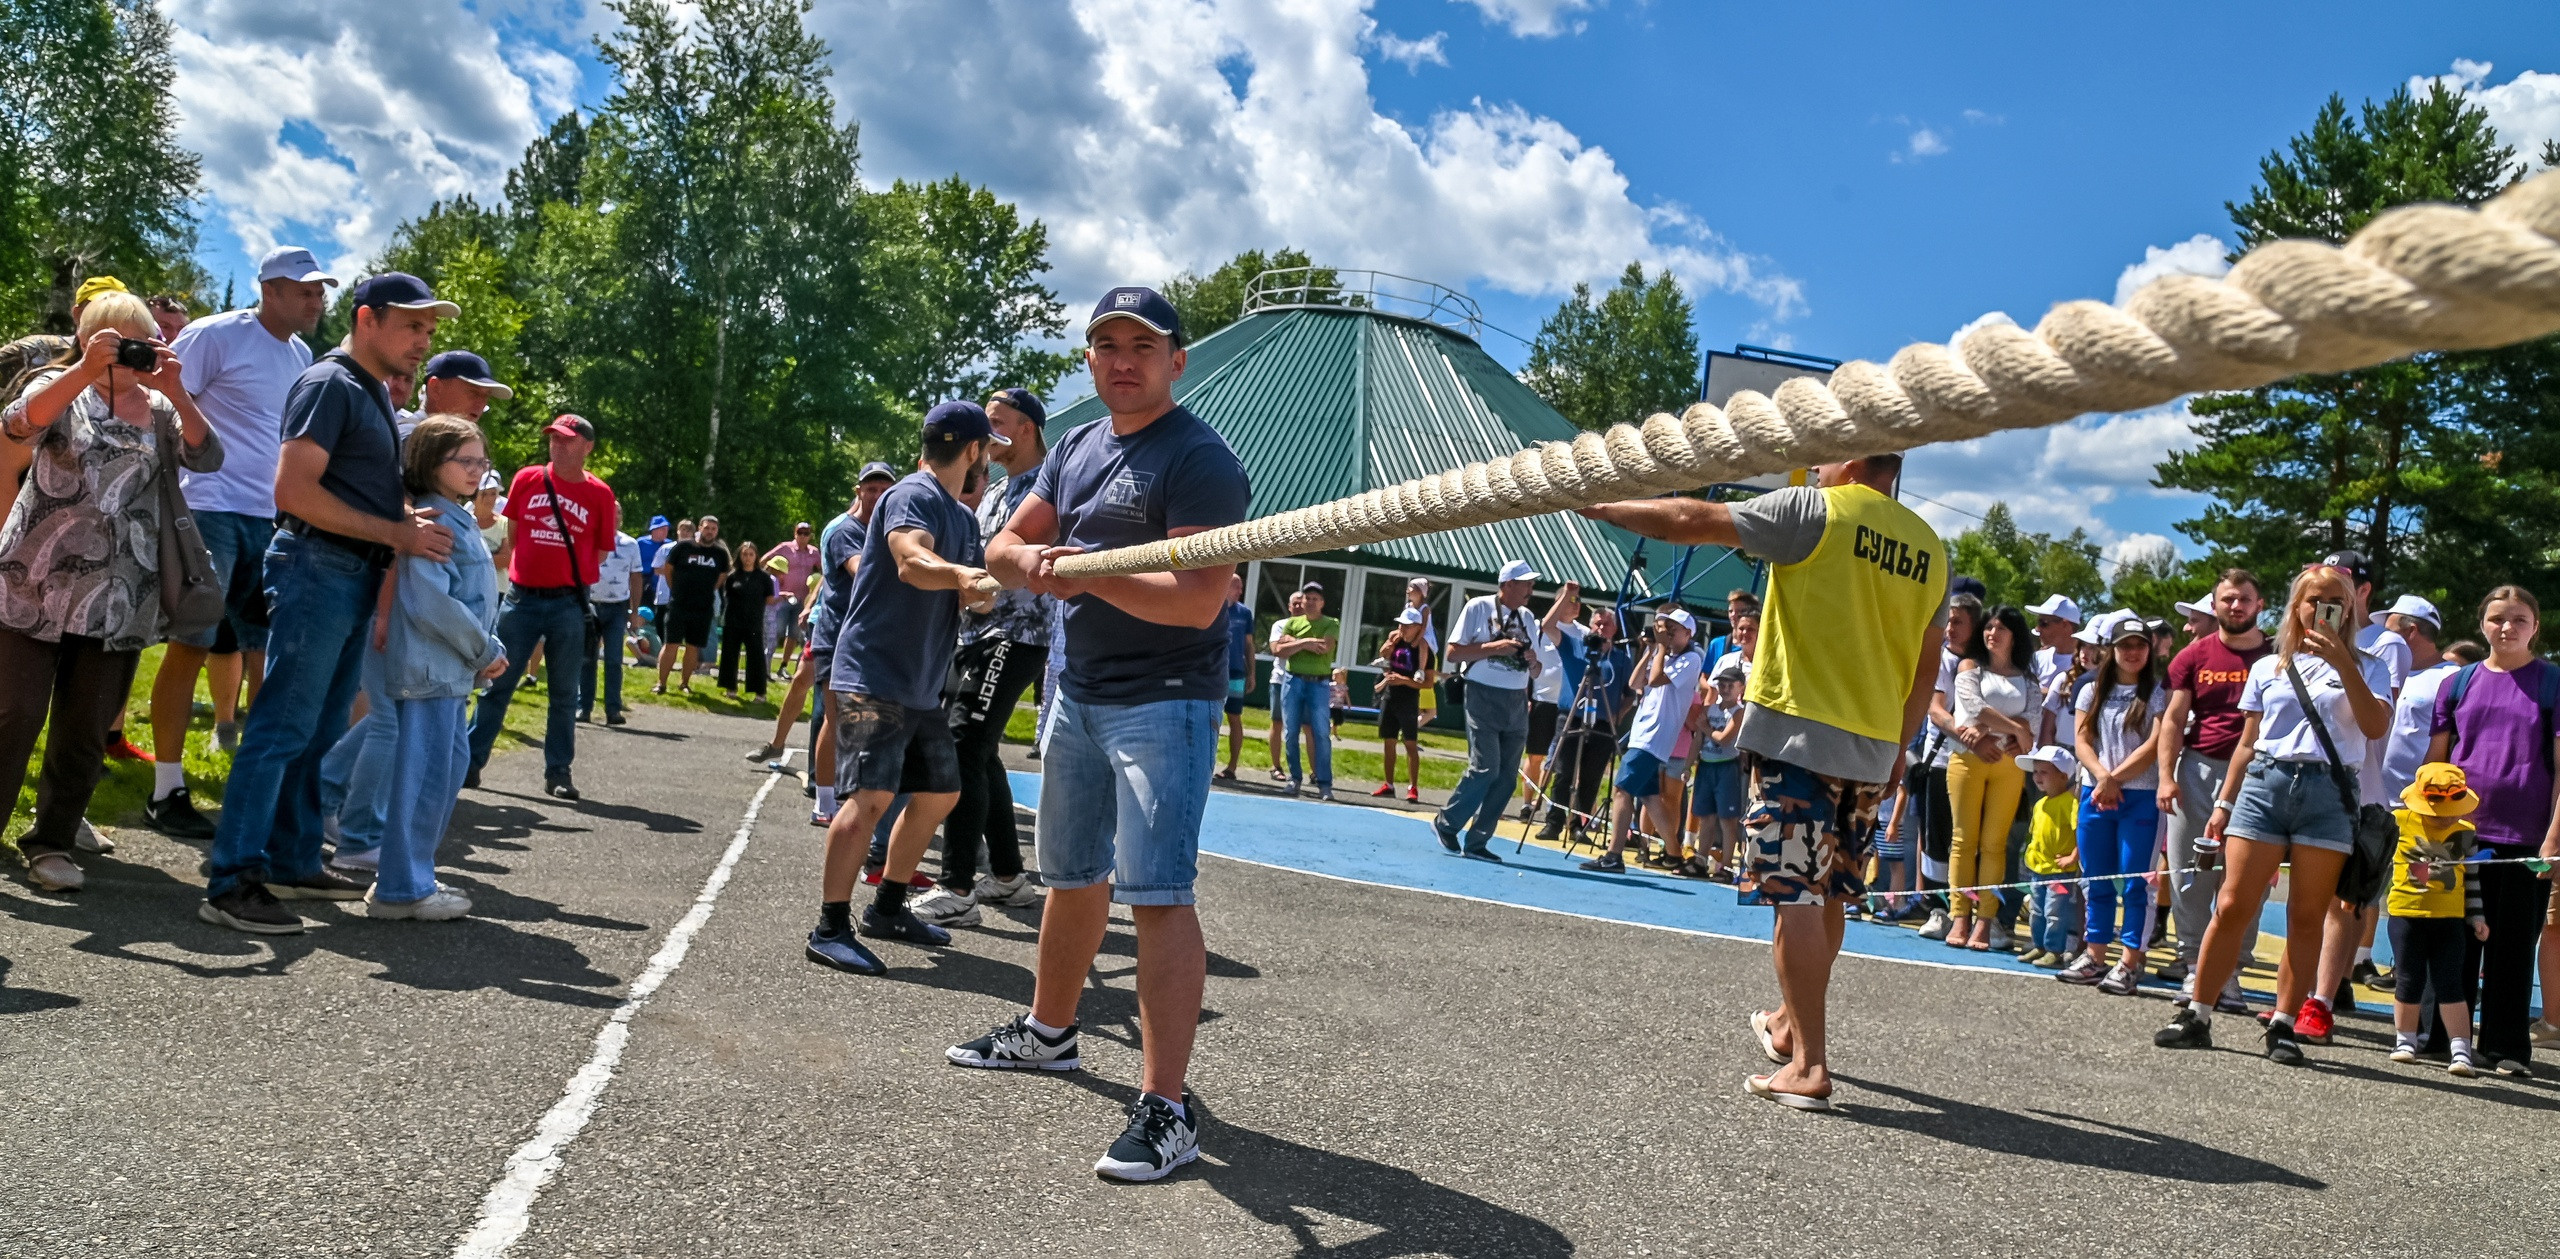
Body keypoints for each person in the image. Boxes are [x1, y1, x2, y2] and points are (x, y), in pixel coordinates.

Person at [947, 287, 1249, 1183]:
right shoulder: (1076, 445)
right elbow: (1006, 546)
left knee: (1157, 892)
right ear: (1088, 360)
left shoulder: (1199, 461)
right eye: (1106, 344)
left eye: (1142, 345)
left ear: (1176, 361)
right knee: (1071, 873)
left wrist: (1080, 577)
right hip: (1077, 692)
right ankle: (1050, 1031)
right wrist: (1029, 561)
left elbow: (1201, 602)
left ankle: (1165, 1104)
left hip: (1164, 700)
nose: (1123, 360)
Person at [1582, 453, 1947, 1112]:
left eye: (1827, 448)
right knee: (1829, 892)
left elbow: (1696, 519)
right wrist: (1901, 739)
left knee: (1795, 899)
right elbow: (1927, 664)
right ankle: (1788, 1024)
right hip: (1869, 747)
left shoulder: (1814, 511)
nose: (1813, 460)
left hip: (1797, 740)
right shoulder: (1928, 547)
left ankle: (1809, 1065)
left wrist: (1605, 504)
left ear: (1858, 456)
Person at [200, 273, 456, 934]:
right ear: (367, 319)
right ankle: (232, 879)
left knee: (317, 730)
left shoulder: (368, 391)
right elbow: (293, 491)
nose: (422, 341)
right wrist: (398, 532)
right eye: (412, 325)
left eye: (430, 330)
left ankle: (290, 857)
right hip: (318, 567)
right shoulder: (331, 383)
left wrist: (403, 517)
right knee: (281, 726)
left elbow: (360, 487)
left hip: (349, 571)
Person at [0, 293, 222, 893]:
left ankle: (49, 842)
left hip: (121, 591)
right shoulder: (58, 383)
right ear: (91, 337)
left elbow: (209, 457)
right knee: (13, 715)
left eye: (140, 339)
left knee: (84, 726)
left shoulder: (160, 407)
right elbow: (17, 424)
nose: (129, 350)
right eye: (116, 339)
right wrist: (83, 369)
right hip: (34, 577)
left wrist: (177, 389)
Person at [2155, 566, 2392, 1063]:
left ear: (2348, 608)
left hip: (2330, 790)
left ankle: (2283, 1023)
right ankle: (2198, 1010)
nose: (2321, 608)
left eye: (2334, 600)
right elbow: (2247, 742)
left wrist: (2344, 664)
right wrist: (2223, 803)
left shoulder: (2370, 665)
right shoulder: (2269, 666)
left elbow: (2373, 728)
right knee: (2233, 903)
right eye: (2312, 599)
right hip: (2266, 782)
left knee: (2305, 915)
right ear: (2296, 607)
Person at [803, 401, 1002, 977]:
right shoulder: (913, 494)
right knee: (869, 799)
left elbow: (967, 591)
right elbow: (911, 561)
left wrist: (983, 589)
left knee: (941, 792)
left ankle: (887, 908)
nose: (985, 458)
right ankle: (829, 926)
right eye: (985, 449)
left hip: (921, 682)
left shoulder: (964, 519)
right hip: (873, 674)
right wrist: (962, 576)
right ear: (973, 451)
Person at [143, 247, 334, 840]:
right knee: (191, 645)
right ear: (268, 289)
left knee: (264, 654)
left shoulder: (302, 355)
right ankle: (166, 788)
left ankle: (256, 786)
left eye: (319, 290)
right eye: (304, 290)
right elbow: (164, 403)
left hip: (271, 516)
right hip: (208, 507)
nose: (316, 300)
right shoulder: (215, 334)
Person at [907, 385, 1056, 928]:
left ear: (1028, 428)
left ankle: (958, 887)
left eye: (997, 420)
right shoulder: (994, 490)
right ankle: (1010, 877)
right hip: (975, 632)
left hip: (1016, 632)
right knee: (982, 749)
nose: (987, 431)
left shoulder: (1047, 486)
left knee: (964, 743)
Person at [368, 416, 505, 921]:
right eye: (464, 460)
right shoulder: (436, 520)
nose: (476, 471)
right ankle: (401, 888)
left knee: (443, 771)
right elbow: (430, 601)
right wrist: (484, 650)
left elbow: (470, 597)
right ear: (431, 462)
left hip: (450, 670)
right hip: (430, 669)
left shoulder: (456, 517)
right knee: (422, 777)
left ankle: (408, 875)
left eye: (481, 461)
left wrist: (487, 645)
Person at [2422, 586, 2558, 1076]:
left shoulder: (2552, 682)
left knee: (2513, 944)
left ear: (2534, 626)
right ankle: (2442, 1038)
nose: (2507, 627)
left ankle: (2505, 1048)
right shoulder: (2456, 684)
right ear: (2482, 623)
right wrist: (2428, 828)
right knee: (2451, 939)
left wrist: (2554, 835)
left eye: (2519, 619)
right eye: (2497, 618)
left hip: (2524, 836)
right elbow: (2435, 763)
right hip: (2458, 834)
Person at [465, 414, 618, 800]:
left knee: (564, 693)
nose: (557, 445)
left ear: (587, 447)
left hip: (569, 602)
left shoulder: (600, 494)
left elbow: (600, 552)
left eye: (567, 440)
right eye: (553, 438)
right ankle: (468, 763)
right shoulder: (528, 478)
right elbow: (514, 533)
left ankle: (558, 772)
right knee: (495, 682)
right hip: (521, 599)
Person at [2152, 569, 2270, 1012]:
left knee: (2245, 881)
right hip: (2199, 772)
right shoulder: (2192, 655)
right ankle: (2193, 968)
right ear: (2215, 605)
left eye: (2243, 599)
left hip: (2260, 777)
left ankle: (2232, 973)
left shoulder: (2279, 655)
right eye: (2226, 600)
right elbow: (2172, 720)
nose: (2235, 606)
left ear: (2259, 605)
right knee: (2189, 874)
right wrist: (2167, 776)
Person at [2061, 612, 2166, 994]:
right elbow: (2083, 740)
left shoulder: (2157, 692)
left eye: (2140, 645)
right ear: (2111, 650)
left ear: (2149, 649)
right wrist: (2101, 777)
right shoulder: (2091, 689)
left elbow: (2155, 745)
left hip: (2139, 795)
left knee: (2136, 881)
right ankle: (2095, 954)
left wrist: (2114, 778)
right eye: (2125, 645)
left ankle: (2130, 961)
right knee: (2096, 878)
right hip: (2096, 792)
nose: (2133, 652)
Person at [1579, 607, 1705, 873]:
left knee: (1622, 790)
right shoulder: (1664, 656)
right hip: (1644, 733)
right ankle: (1674, 853)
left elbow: (1657, 680)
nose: (1667, 635)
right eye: (1663, 628)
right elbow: (1637, 682)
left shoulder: (1692, 658)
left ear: (1688, 632)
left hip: (1654, 736)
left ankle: (1614, 854)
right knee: (1649, 797)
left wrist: (1660, 649)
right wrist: (1650, 650)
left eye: (1673, 630)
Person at [2383, 763, 2490, 1075]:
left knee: (2451, 984)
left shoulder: (2466, 833)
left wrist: (2476, 916)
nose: (2445, 816)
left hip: (2450, 921)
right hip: (2406, 915)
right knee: (2408, 980)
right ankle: (2405, 1041)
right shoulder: (2398, 821)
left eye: (2452, 809)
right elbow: (2378, 862)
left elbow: (2472, 881)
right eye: (2436, 810)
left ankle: (2461, 1050)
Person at [1434, 560, 1543, 860]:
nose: (1530, 589)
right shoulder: (1478, 608)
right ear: (1507, 584)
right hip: (1482, 694)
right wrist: (1496, 648)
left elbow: (1537, 671)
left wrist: (1532, 660)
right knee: (1486, 767)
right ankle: (1447, 823)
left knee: (1507, 776)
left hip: (1517, 699)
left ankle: (1478, 841)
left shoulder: (1529, 617)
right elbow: (1453, 652)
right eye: (1525, 583)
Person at [1945, 605, 2038, 951]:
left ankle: (1985, 920)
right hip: (1967, 760)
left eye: (2000, 629)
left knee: (1994, 844)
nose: (1991, 634)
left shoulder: (2028, 679)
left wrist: (1996, 728)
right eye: (1988, 628)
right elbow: (1972, 708)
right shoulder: (1969, 666)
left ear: (2015, 636)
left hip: (2008, 765)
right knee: (1963, 840)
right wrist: (2012, 726)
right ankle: (1959, 915)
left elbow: (2033, 726)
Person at [1913, 594, 1983, 940]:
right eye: (1948, 621)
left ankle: (1974, 911)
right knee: (1938, 837)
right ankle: (1938, 909)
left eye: (1958, 622)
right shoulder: (1937, 658)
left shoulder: (1986, 663)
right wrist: (1968, 734)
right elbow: (1935, 710)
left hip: (1977, 763)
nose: (1950, 628)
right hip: (1941, 759)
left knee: (1974, 840)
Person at [1535, 596, 1629, 844]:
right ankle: (1553, 822)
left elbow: (1630, 693)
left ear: (1614, 629)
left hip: (1602, 720)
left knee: (1591, 776)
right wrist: (1565, 595)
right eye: (1597, 624)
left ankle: (1578, 824)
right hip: (1572, 716)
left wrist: (1618, 714)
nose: (1601, 629)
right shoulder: (1574, 645)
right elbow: (1546, 627)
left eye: (1606, 625)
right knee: (1564, 772)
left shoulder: (1621, 659)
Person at [2015, 745, 2083, 968]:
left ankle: (2055, 950)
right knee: (2036, 910)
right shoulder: (2040, 804)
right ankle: (2039, 946)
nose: (2037, 777)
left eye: (2044, 772)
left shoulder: (2070, 803)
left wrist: (2073, 857)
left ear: (2063, 776)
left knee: (2055, 912)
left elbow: (2079, 831)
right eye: (2035, 772)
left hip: (2059, 872)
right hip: (2038, 870)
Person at [1270, 581, 1338, 799]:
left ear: (1322, 603)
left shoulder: (1331, 623)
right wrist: (1307, 642)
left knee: (1320, 732)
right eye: (1307, 598)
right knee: (1290, 732)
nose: (1310, 602)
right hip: (1293, 681)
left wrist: (1296, 643)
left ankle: (1324, 783)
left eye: (1315, 599)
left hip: (1318, 683)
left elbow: (1324, 648)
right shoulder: (1292, 622)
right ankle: (1294, 778)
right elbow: (1279, 650)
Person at [1684, 658, 1746, 877]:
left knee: (1727, 820)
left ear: (1741, 687)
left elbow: (1724, 738)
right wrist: (1688, 764)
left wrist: (1706, 728)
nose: (1725, 689)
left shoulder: (1738, 713)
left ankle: (1727, 864)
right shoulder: (1709, 710)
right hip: (1707, 766)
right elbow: (1697, 740)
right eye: (1722, 685)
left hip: (1727, 767)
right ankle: (1700, 859)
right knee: (1706, 816)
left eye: (1731, 685)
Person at [654, 516, 726, 694]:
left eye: (713, 529)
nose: (709, 532)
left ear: (717, 532)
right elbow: (668, 570)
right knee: (671, 643)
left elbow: (722, 577)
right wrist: (676, 589)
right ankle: (661, 683)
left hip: (703, 607)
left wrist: (706, 590)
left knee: (693, 646)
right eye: (707, 528)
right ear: (699, 528)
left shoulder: (720, 553)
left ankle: (684, 683)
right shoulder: (683, 547)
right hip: (679, 604)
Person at [1372, 607, 1436, 800]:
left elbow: (1428, 682)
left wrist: (1404, 680)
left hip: (1409, 700)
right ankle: (1389, 784)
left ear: (1417, 627)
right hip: (1390, 697)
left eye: (1407, 626)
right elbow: (1384, 658)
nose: (1402, 628)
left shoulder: (1424, 650)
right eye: (1401, 624)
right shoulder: (1396, 641)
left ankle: (1413, 787)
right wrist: (1387, 651)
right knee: (1388, 742)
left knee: (1410, 744)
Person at [582, 526, 643, 725]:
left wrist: (635, 612)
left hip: (617, 608)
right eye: (610, 512)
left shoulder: (630, 544)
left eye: (617, 513)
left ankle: (613, 709)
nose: (613, 517)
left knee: (614, 660)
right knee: (587, 658)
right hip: (590, 605)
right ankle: (584, 707)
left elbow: (636, 578)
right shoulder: (587, 539)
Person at [716, 540, 776, 699]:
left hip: (754, 621)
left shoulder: (764, 577)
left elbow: (769, 599)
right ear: (739, 556)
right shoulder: (732, 576)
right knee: (729, 654)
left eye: (751, 554)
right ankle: (730, 688)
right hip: (733, 620)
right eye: (744, 554)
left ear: (756, 556)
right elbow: (726, 596)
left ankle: (759, 692)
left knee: (756, 656)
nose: (747, 558)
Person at [767, 520, 822, 674]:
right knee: (775, 631)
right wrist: (771, 581)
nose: (803, 536)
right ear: (795, 533)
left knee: (793, 633)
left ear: (810, 535)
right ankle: (765, 665)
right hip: (782, 597)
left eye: (806, 533)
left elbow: (826, 569)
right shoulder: (785, 548)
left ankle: (783, 666)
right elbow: (764, 560)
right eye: (800, 532)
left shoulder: (814, 553)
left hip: (803, 599)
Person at [1216, 572, 1255, 780]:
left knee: (1234, 717)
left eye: (1241, 587)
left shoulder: (1245, 613)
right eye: (1236, 586)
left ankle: (1232, 767)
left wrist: (1252, 673)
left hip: (1236, 672)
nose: (1240, 591)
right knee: (1211, 718)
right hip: (1213, 670)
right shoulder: (1213, 606)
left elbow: (1249, 645)